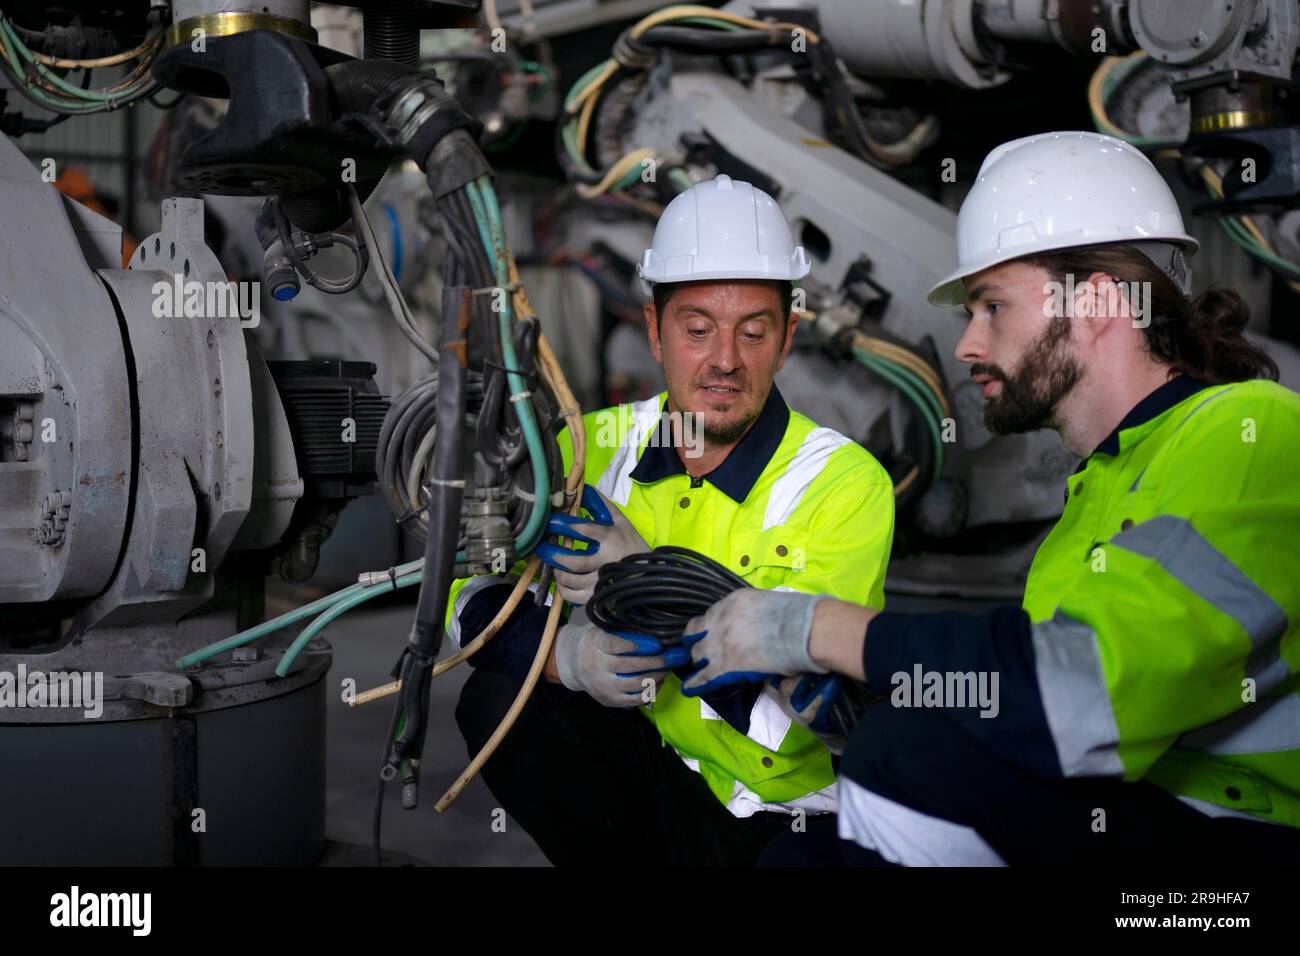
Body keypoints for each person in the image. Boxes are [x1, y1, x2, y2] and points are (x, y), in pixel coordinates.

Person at [678, 132, 1300, 865]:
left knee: (909, 753)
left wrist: (823, 629)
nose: (969, 344)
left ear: (1096, 299)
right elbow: (1027, 700)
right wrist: (884, 692)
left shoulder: (1248, 430)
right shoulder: (1100, 486)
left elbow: (1079, 697)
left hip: (1230, 862)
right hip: (1136, 815)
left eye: (992, 307)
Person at [447, 174, 896, 865]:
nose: (724, 360)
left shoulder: (844, 484)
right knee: (498, 701)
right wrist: (569, 660)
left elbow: (801, 718)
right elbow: (468, 602)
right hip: (639, 767)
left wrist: (643, 582)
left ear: (787, 339)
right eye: (696, 329)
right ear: (655, 331)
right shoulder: (585, 447)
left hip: (767, 811)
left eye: (754, 332)